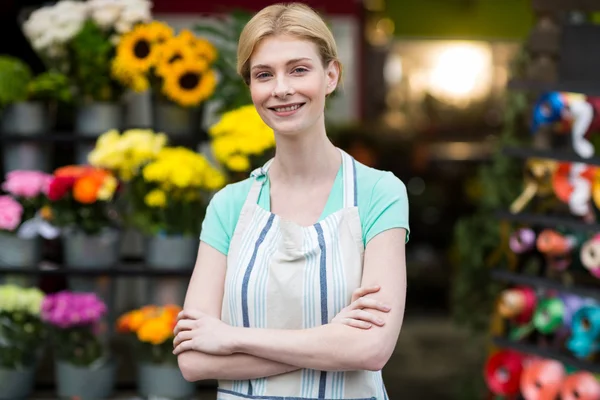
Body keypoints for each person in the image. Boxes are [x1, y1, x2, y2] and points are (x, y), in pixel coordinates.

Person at [172, 3, 409, 399]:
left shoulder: (378, 193)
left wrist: (230, 338)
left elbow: (372, 348)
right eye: (264, 74)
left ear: (331, 75)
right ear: (250, 87)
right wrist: (335, 342)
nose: (281, 88)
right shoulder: (228, 206)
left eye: (299, 69)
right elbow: (194, 361)